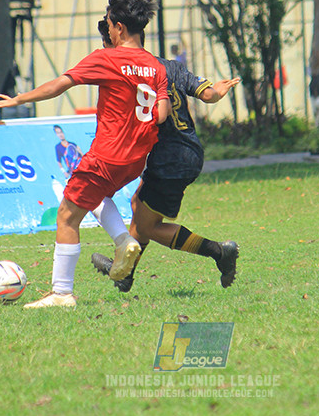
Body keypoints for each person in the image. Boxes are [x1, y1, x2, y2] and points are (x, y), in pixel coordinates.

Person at [0, 0, 170, 308]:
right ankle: (123, 240)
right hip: (135, 158)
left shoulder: (107, 58)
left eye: (110, 25)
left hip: (107, 155)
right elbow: (161, 114)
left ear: (119, 28)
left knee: (67, 216)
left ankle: (61, 293)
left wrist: (20, 99)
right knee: (97, 197)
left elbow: (60, 85)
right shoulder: (156, 67)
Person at [91, 27, 241, 292]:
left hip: (170, 160)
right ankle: (126, 274)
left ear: (115, 43)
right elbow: (208, 94)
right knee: (139, 204)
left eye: (106, 47)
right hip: (188, 150)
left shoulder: (129, 74)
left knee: (148, 227)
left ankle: (219, 252)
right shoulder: (169, 66)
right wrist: (217, 91)